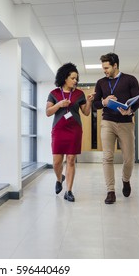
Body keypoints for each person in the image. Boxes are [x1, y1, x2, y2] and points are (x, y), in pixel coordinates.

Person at [93, 53, 139, 204]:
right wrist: (104, 102)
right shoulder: (101, 82)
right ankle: (110, 191)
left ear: (115, 65)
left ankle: (126, 180)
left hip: (126, 122)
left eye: (106, 67)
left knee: (129, 158)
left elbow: (138, 100)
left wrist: (130, 110)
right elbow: (95, 104)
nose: (104, 70)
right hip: (107, 122)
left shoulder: (130, 79)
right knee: (107, 157)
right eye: (103, 68)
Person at [46, 62, 94, 202]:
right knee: (56, 162)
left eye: (76, 78)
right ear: (64, 78)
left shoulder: (79, 94)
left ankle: (69, 191)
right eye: (73, 78)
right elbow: (48, 112)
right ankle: (59, 178)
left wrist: (89, 101)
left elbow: (85, 112)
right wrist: (59, 104)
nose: (75, 81)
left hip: (74, 130)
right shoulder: (54, 93)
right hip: (59, 130)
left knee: (71, 160)